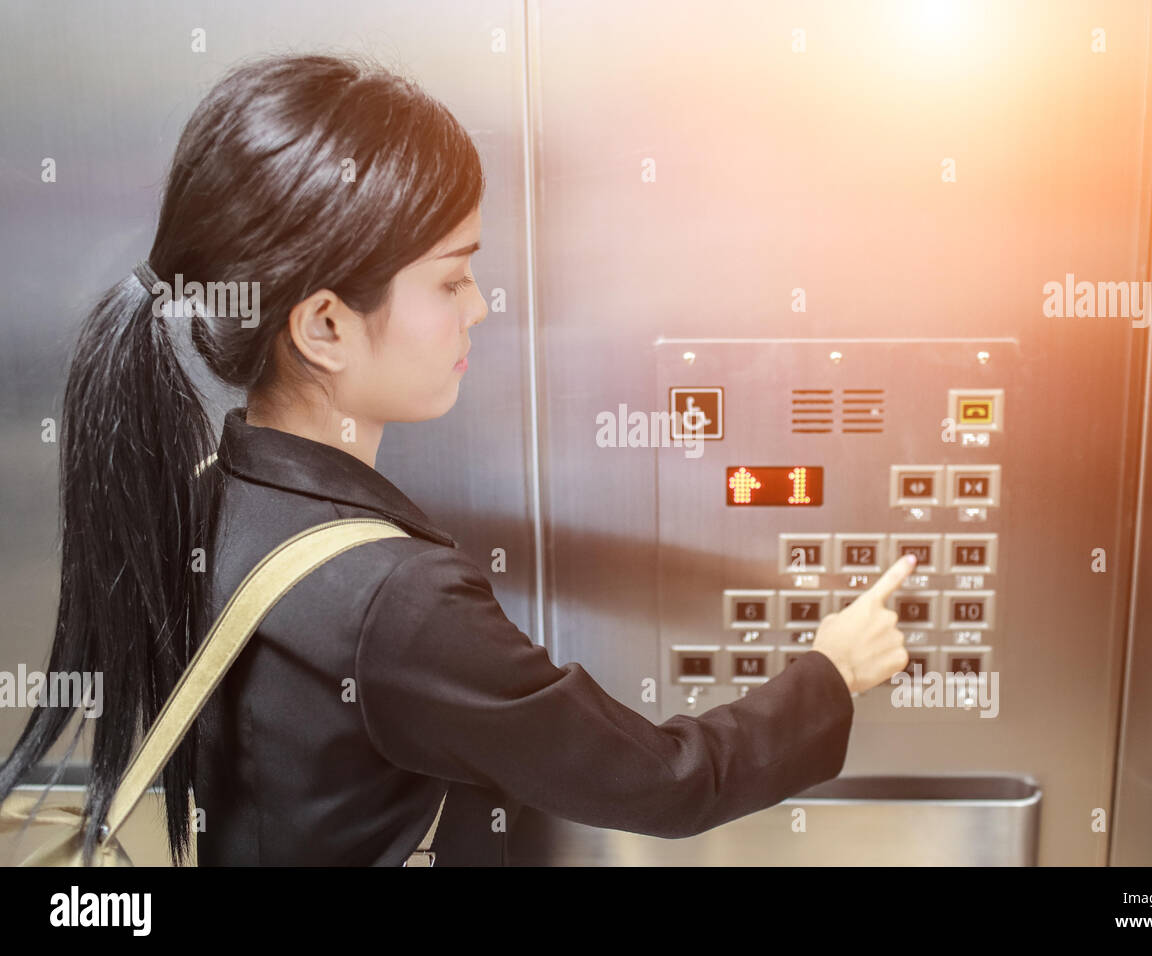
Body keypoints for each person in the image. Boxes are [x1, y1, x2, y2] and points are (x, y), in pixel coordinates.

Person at [0, 52, 912, 866]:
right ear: (325, 326)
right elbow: (665, 781)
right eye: (450, 277)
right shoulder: (396, 602)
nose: (478, 306)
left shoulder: (214, 498)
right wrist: (830, 674)